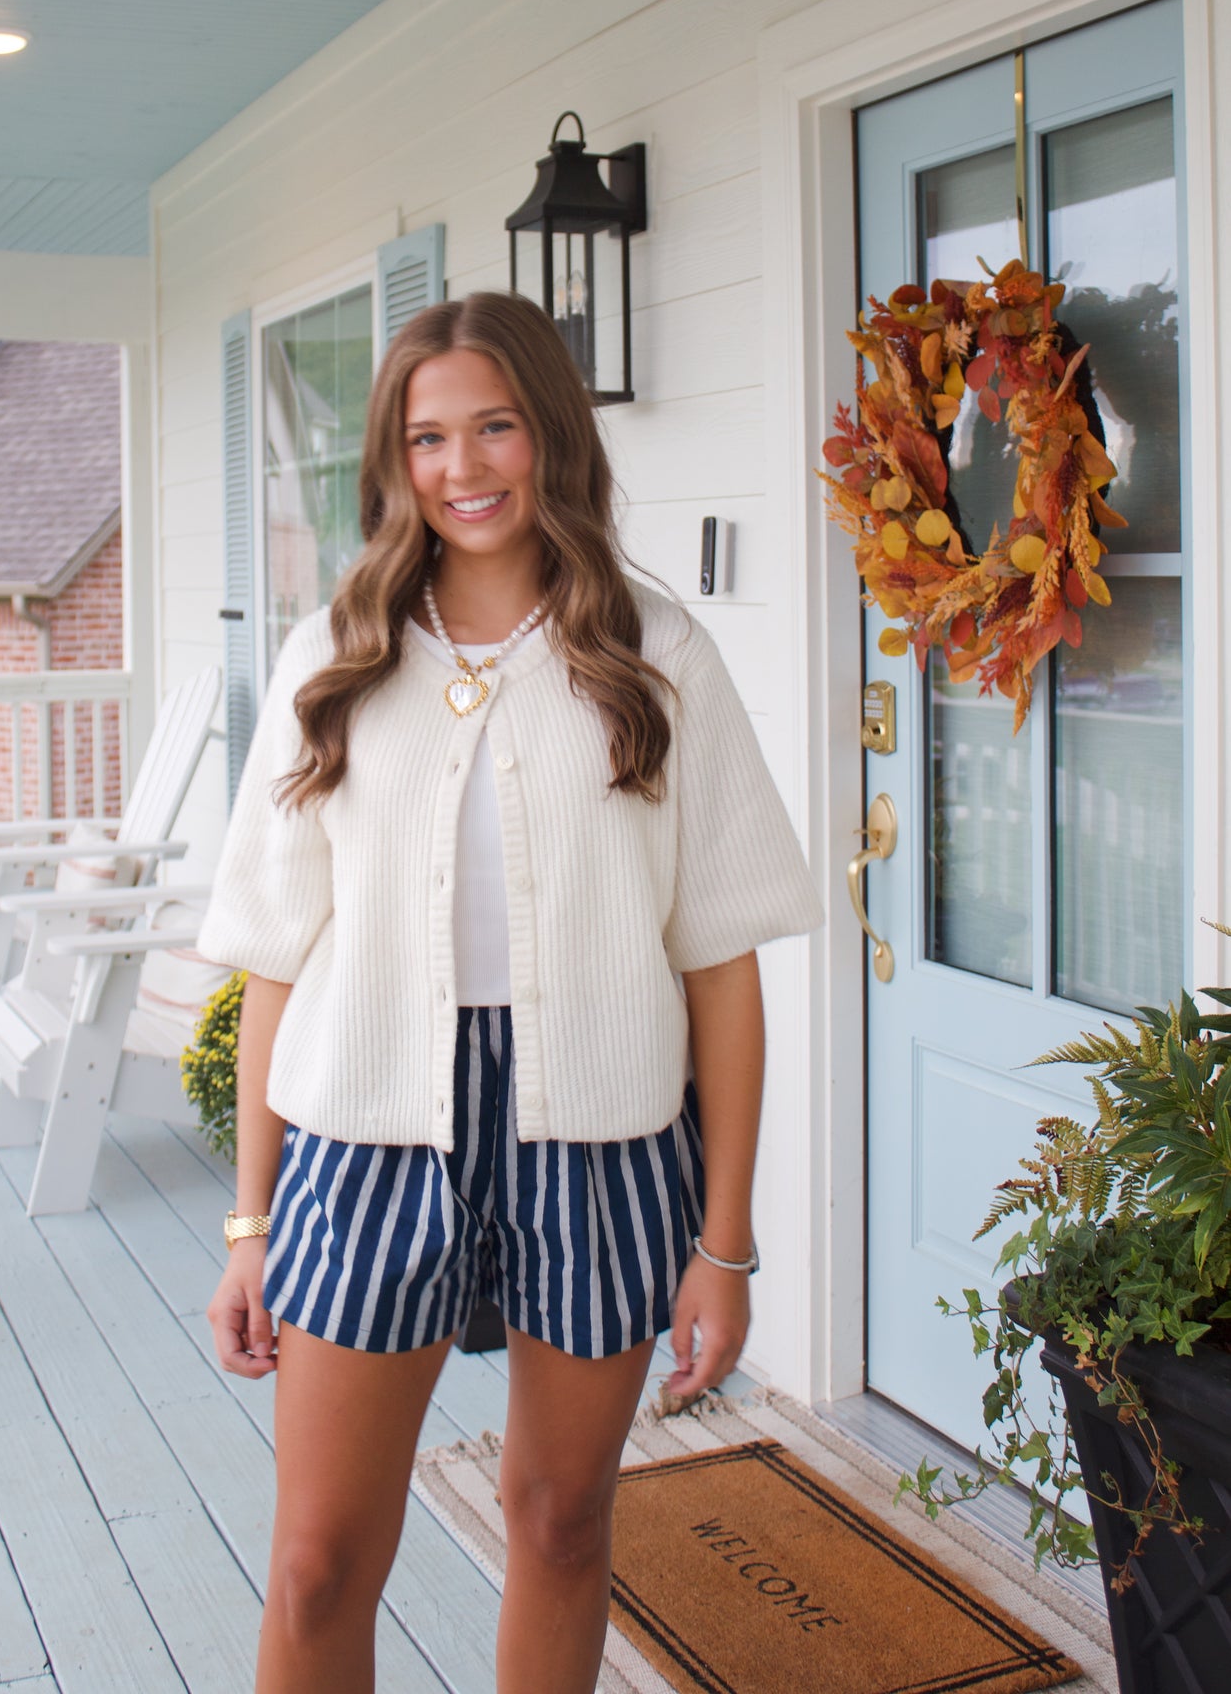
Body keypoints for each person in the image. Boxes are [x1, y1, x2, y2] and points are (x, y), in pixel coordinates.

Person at [201, 289, 822, 1694]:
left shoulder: (655, 656)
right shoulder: (333, 661)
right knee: (314, 1565)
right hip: (363, 1151)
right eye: (427, 438)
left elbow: (718, 970)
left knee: (558, 1521)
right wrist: (251, 1222)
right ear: (392, 458)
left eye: (494, 427)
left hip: (597, 1146)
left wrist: (722, 1246)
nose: (463, 468)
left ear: (550, 435)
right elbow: (273, 969)